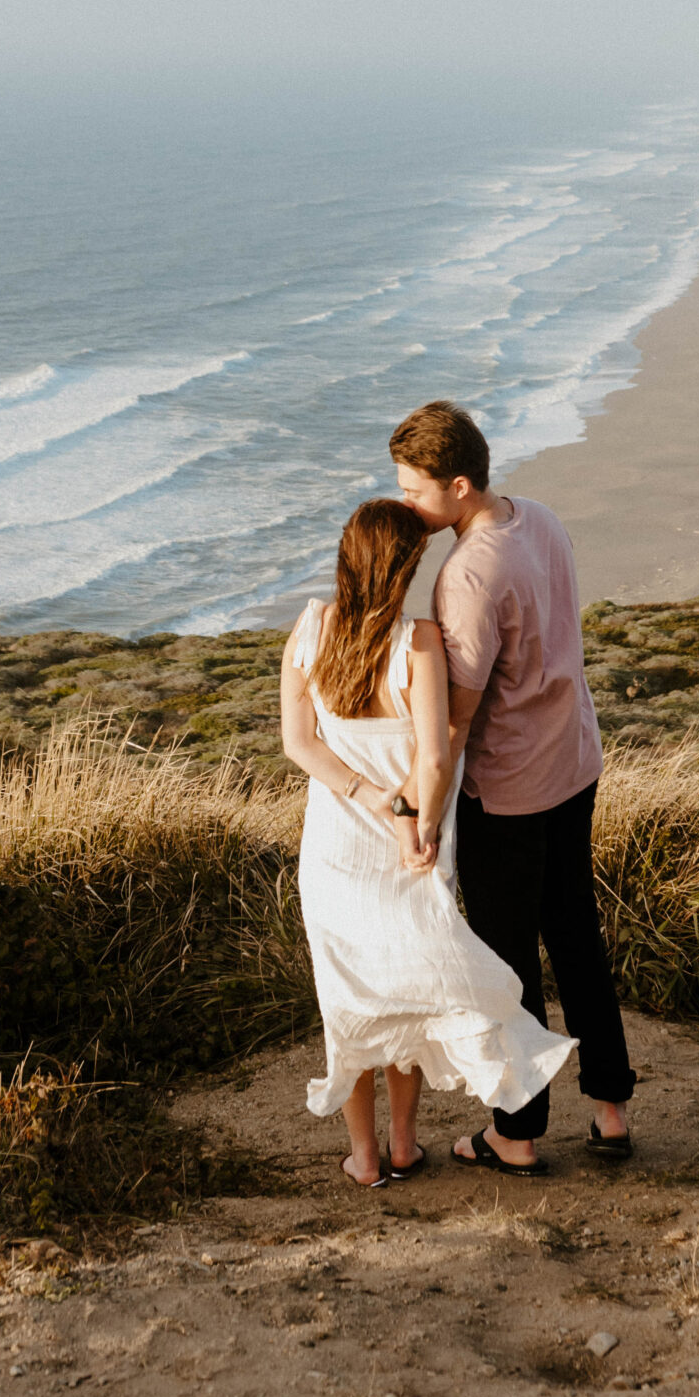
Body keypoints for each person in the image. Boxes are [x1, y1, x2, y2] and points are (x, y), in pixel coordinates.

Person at [279, 496, 574, 1188]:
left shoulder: (311, 629)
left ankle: (366, 1158)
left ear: (345, 558)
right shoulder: (419, 641)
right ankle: (406, 1145)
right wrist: (414, 821)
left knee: (351, 996)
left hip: (336, 847)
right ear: (408, 566)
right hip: (413, 843)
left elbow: (298, 743)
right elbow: (439, 755)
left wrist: (366, 797)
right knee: (404, 990)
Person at [390, 400, 636, 1175]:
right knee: (576, 934)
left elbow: (456, 721)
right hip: (574, 759)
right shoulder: (539, 517)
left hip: (509, 788)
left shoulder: (466, 575)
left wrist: (417, 806)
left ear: (457, 485)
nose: (404, 503)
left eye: (413, 488)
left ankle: (517, 1133)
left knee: (508, 962)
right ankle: (610, 1111)